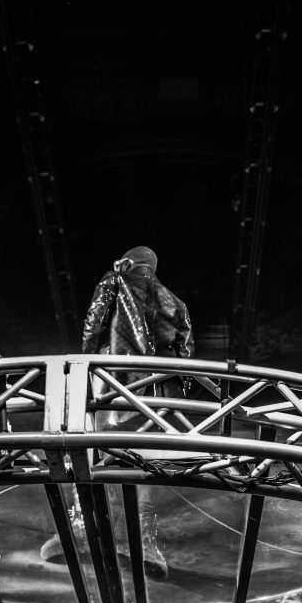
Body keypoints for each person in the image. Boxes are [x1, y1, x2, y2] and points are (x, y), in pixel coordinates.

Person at [41, 246, 192, 579]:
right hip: (158, 402)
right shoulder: (176, 303)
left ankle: (79, 533)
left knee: (96, 454)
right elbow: (186, 358)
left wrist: (85, 365)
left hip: (115, 384)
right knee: (143, 465)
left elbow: (94, 325)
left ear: (127, 263)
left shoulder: (115, 280)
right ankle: (144, 546)